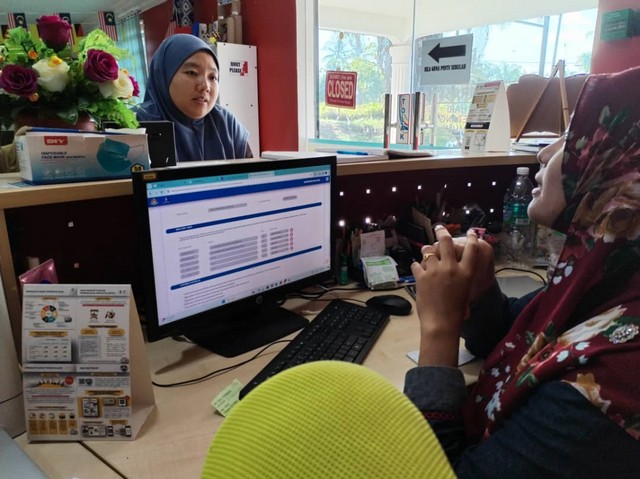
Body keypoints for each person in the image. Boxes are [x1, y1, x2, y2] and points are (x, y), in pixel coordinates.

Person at [406, 66, 640, 477]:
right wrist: (481, 292)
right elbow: (523, 337)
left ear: (621, 173)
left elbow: (433, 472)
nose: (544, 153)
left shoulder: (613, 386)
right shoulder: (612, 283)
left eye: (571, 137)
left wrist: (439, 330)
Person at [135, 34, 251, 162]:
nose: (205, 86)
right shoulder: (135, 125)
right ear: (164, 75)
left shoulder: (227, 125)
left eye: (212, 77)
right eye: (192, 73)